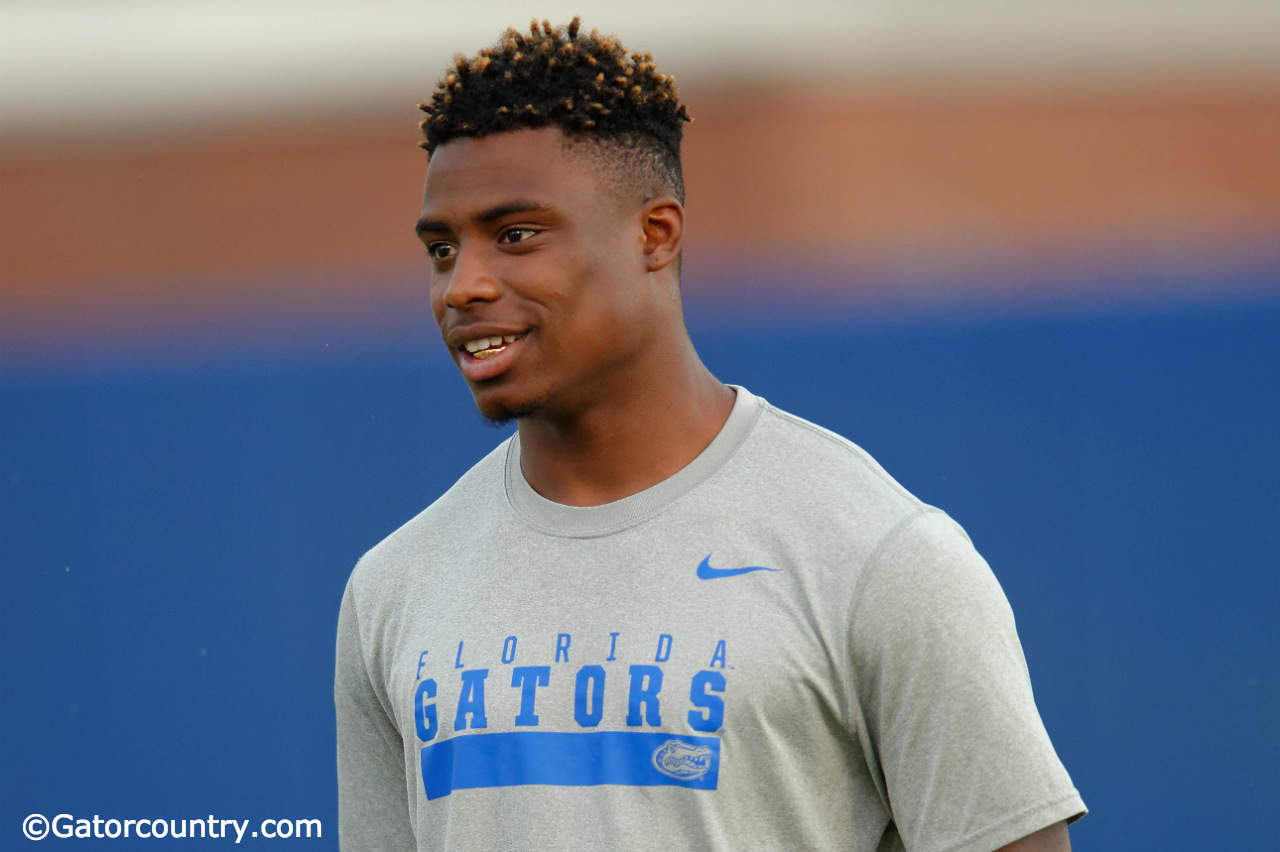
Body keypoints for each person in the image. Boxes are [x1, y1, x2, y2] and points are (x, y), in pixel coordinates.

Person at [335, 17, 1085, 851]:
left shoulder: (881, 558)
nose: (463, 286)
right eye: (443, 249)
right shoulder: (394, 588)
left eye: (516, 236)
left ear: (655, 235)